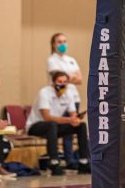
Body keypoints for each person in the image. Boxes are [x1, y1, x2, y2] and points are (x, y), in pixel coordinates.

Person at [25, 71, 91, 176]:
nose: (62, 84)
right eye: (59, 81)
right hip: (36, 126)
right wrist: (69, 120)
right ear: (53, 82)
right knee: (52, 124)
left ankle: (84, 162)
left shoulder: (69, 94)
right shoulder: (44, 93)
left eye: (65, 81)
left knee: (81, 126)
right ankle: (54, 162)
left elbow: (73, 113)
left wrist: (75, 119)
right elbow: (47, 117)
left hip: (54, 127)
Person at [47, 32, 82, 169]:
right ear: (54, 44)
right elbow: (59, 78)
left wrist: (69, 77)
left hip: (74, 97)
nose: (62, 44)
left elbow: (80, 79)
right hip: (60, 98)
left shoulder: (71, 59)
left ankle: (71, 159)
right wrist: (69, 77)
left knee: (73, 127)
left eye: (64, 41)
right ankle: (64, 160)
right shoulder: (52, 60)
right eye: (59, 42)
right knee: (64, 128)